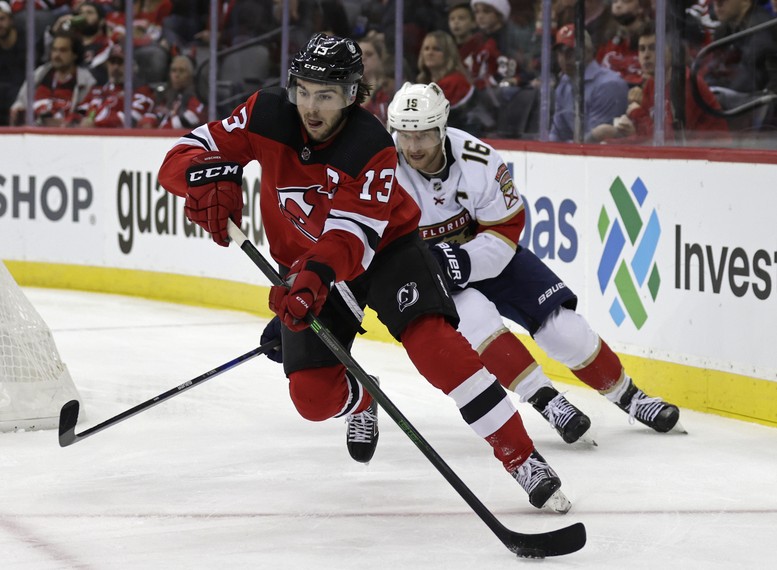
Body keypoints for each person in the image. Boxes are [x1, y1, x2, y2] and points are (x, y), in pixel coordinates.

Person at [158, 33, 571, 513]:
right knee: (311, 398)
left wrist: (311, 280)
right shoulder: (265, 113)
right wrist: (211, 178)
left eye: (326, 95)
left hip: (384, 252)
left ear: (352, 95)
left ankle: (522, 456)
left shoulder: (370, 144)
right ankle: (362, 398)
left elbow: (350, 241)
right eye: (304, 91)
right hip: (309, 265)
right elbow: (181, 154)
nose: (311, 107)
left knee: (435, 346)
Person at [385, 81, 683, 444]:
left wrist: (461, 260)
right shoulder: (384, 172)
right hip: (434, 273)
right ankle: (548, 401)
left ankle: (629, 396)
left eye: (425, 136)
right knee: (479, 322)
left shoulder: (479, 160)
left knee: (565, 329)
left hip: (486, 253)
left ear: (443, 127)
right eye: (405, 135)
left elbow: (505, 230)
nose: (414, 147)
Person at [589, 22, 731, 144]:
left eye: (653, 48)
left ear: (671, 51)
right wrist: (616, 136)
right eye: (642, 49)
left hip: (711, 161)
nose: (646, 55)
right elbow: (644, 133)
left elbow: (670, 138)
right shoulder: (652, 83)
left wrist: (636, 113)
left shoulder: (685, 83)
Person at [549, 23, 629, 143]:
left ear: (588, 51)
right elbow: (557, 134)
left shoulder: (608, 85)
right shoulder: (564, 84)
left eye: (570, 51)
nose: (565, 57)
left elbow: (596, 141)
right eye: (560, 52)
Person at [9, 30, 96, 126]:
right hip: (33, 132)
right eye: (54, 50)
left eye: (63, 50)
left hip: (63, 136)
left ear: (75, 54)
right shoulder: (39, 74)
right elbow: (21, 102)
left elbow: (84, 119)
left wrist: (65, 125)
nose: (56, 55)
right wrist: (17, 111)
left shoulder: (85, 82)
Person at [66, 43, 154, 128]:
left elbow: (131, 120)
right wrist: (71, 122)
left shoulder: (142, 91)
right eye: (112, 62)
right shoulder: (97, 90)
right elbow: (79, 113)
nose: (115, 67)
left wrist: (96, 125)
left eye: (120, 63)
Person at [138, 54, 206, 129]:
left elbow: (192, 117)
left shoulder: (197, 95)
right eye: (174, 70)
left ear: (190, 75)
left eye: (182, 71)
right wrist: (148, 121)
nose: (176, 75)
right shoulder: (166, 94)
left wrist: (162, 129)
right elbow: (155, 112)